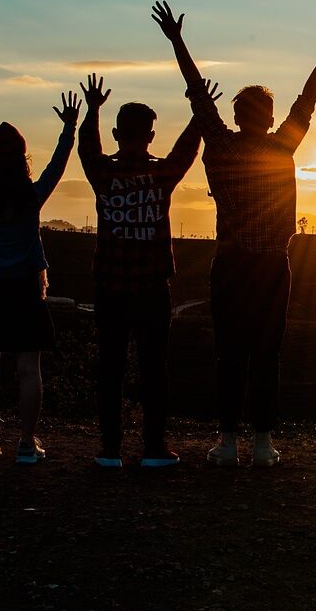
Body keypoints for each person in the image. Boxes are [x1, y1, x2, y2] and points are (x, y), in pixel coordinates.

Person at [152, 0, 316, 467]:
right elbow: (309, 96)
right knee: (267, 353)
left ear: (237, 113)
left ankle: (227, 441)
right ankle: (262, 442)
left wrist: (177, 41)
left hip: (231, 265)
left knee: (230, 353)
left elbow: (196, 93)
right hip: (269, 267)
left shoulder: (221, 145)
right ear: (267, 116)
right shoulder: (282, 145)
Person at [78, 73, 215, 469]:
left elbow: (88, 147)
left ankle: (109, 449)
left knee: (111, 368)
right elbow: (188, 149)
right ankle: (154, 447)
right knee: (155, 369)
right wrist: (199, 111)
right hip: (153, 288)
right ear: (151, 135)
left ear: (118, 133)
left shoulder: (102, 174)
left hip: (110, 286)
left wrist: (91, 110)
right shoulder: (161, 174)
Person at [0, 91, 81, 464]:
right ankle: (27, 442)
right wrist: (69, 129)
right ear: (22, 157)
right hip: (26, 290)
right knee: (28, 369)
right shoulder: (31, 196)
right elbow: (57, 164)